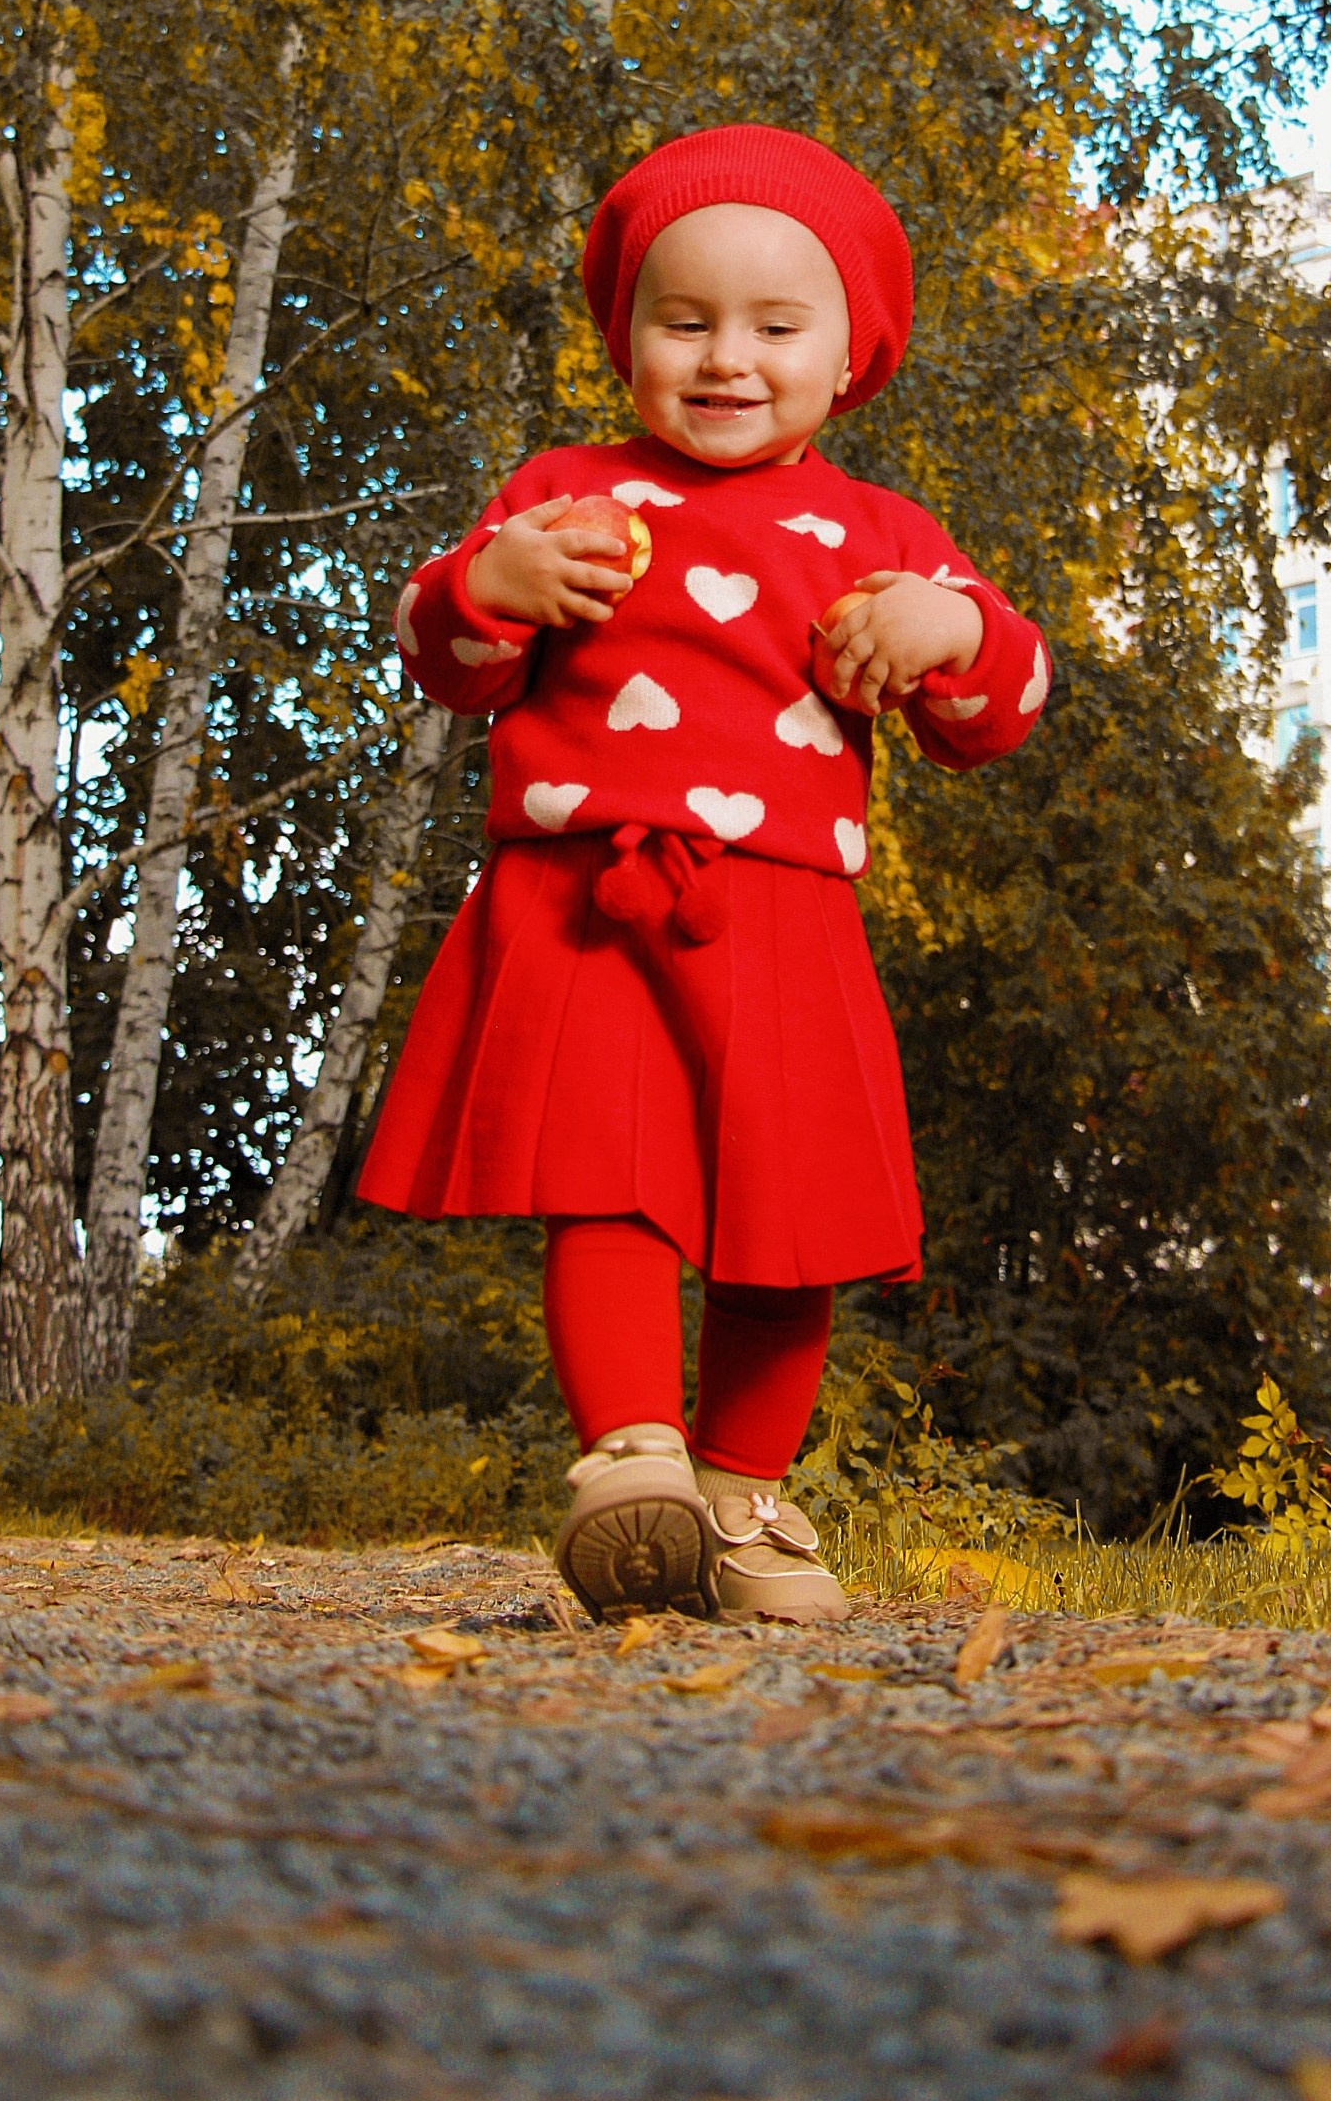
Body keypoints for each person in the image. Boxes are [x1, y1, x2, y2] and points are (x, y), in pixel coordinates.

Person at [357, 124, 1050, 1623]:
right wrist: (489, 583)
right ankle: (632, 1465)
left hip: (784, 913)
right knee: (601, 1183)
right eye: (684, 321)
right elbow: (444, 662)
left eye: (774, 325)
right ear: (627, 340)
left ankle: (741, 1498)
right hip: (587, 900)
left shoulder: (885, 537)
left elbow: (1002, 708)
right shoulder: (561, 490)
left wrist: (953, 640)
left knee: (785, 1216)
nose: (727, 357)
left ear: (852, 349)